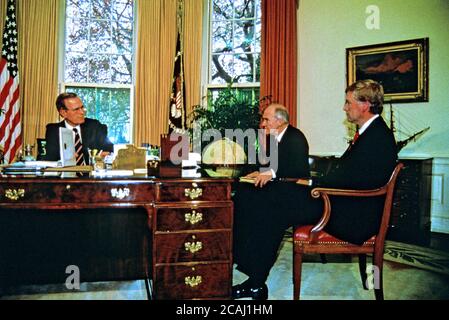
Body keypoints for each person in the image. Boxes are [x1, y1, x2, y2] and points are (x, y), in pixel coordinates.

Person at [232, 79, 398, 300]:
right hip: (343, 202)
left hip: (351, 215)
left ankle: (255, 282)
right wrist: (312, 183)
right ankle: (252, 272)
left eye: (348, 102)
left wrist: (313, 184)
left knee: (274, 205)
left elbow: (355, 182)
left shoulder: (376, 137)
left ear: (365, 104)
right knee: (270, 197)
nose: (344, 107)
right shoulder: (373, 132)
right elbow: (352, 175)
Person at [232, 103, 310, 300]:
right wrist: (260, 171)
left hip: (296, 198)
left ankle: (257, 281)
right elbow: (270, 166)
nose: (262, 124)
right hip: (281, 193)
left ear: (280, 120)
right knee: (242, 196)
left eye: (266, 119)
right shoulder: (275, 138)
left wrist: (270, 173)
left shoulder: (295, 137)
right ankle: (243, 259)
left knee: (264, 217)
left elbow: (294, 169)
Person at [43, 92, 114, 164]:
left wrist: (106, 154)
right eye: (76, 109)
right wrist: (64, 157)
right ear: (63, 112)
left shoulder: (94, 126)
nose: (82, 112)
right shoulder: (53, 130)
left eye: (82, 107)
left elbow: (109, 148)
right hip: (66, 173)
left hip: (90, 173)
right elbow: (49, 157)